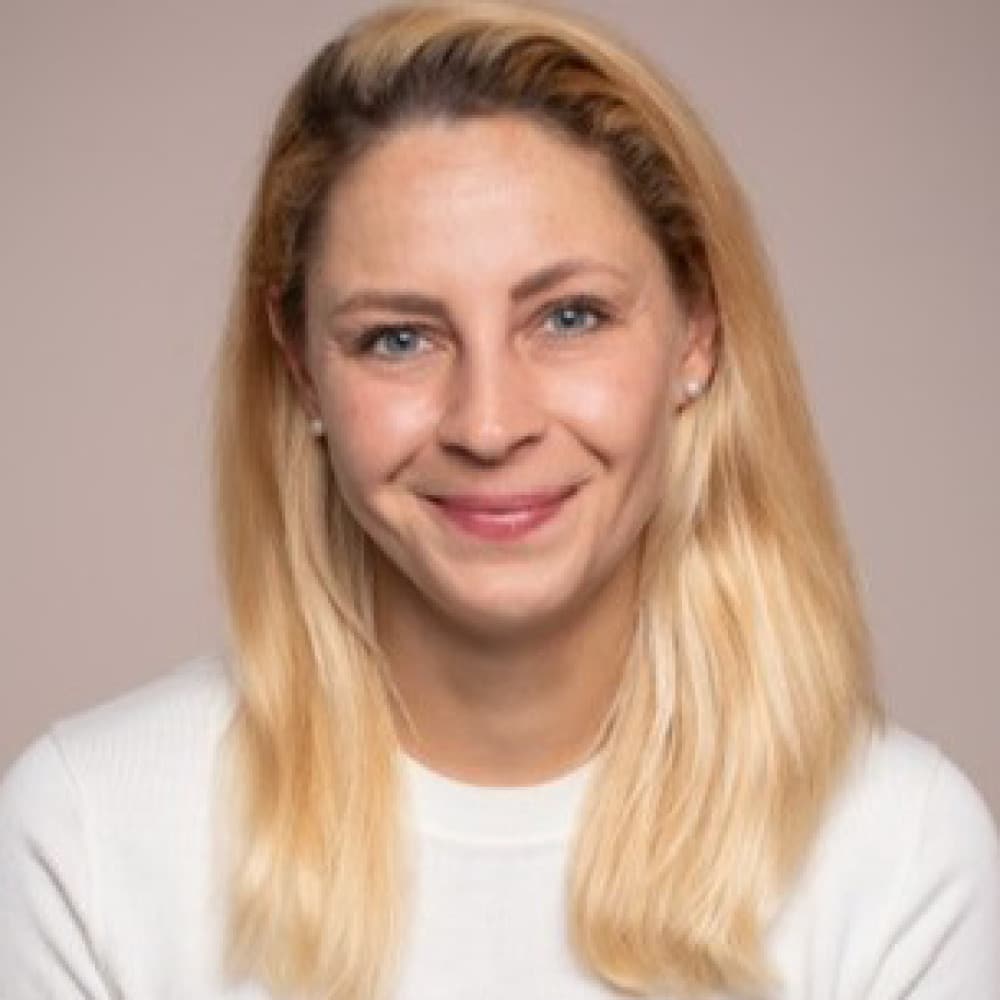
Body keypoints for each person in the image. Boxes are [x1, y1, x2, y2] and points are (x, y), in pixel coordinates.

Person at [1, 1, 997, 997]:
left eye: (569, 317)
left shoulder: (896, 854)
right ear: (301, 365)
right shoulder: (92, 839)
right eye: (399, 337)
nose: (487, 424)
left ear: (696, 329)